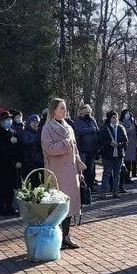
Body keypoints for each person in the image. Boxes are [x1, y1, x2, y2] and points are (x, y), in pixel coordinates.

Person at [42, 98, 85, 249]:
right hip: (57, 171)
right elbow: (49, 149)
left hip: (71, 171)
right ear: (53, 110)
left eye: (65, 108)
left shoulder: (69, 127)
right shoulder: (47, 128)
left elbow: (75, 149)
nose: (64, 111)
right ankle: (57, 236)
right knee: (58, 205)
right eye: (61, 108)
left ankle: (66, 235)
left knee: (70, 205)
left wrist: (79, 167)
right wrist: (66, 143)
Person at [0, 109, 22, 215]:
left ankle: (9, 206)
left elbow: (18, 148)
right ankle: (1, 207)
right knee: (1, 188)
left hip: (12, 165)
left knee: (10, 187)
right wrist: (10, 144)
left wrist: (18, 161)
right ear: (1, 121)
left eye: (9, 119)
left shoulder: (13, 132)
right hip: (0, 165)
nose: (8, 121)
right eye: (6, 120)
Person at [98, 111, 128, 199]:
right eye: (113, 117)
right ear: (109, 118)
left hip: (118, 154)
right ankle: (103, 192)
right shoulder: (104, 128)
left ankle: (116, 191)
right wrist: (109, 143)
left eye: (116, 117)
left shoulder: (121, 128)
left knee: (117, 174)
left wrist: (118, 144)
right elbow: (100, 141)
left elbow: (125, 141)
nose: (115, 119)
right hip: (108, 154)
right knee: (106, 173)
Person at [72, 105, 100, 190]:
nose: (87, 112)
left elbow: (97, 130)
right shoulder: (77, 121)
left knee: (91, 170)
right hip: (83, 149)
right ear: (81, 111)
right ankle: (81, 187)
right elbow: (78, 131)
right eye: (85, 110)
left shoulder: (92, 120)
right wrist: (90, 130)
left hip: (92, 148)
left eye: (88, 110)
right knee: (82, 169)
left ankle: (90, 186)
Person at [20, 114, 45, 181]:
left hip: (39, 161)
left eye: (37, 122)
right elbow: (26, 142)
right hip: (29, 161)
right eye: (33, 121)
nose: (35, 124)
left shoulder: (40, 132)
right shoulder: (25, 132)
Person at [121, 109, 137, 185]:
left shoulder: (133, 122)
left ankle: (130, 176)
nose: (128, 115)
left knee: (132, 160)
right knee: (126, 161)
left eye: (129, 113)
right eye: (126, 113)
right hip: (126, 144)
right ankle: (125, 176)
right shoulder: (121, 123)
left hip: (133, 143)